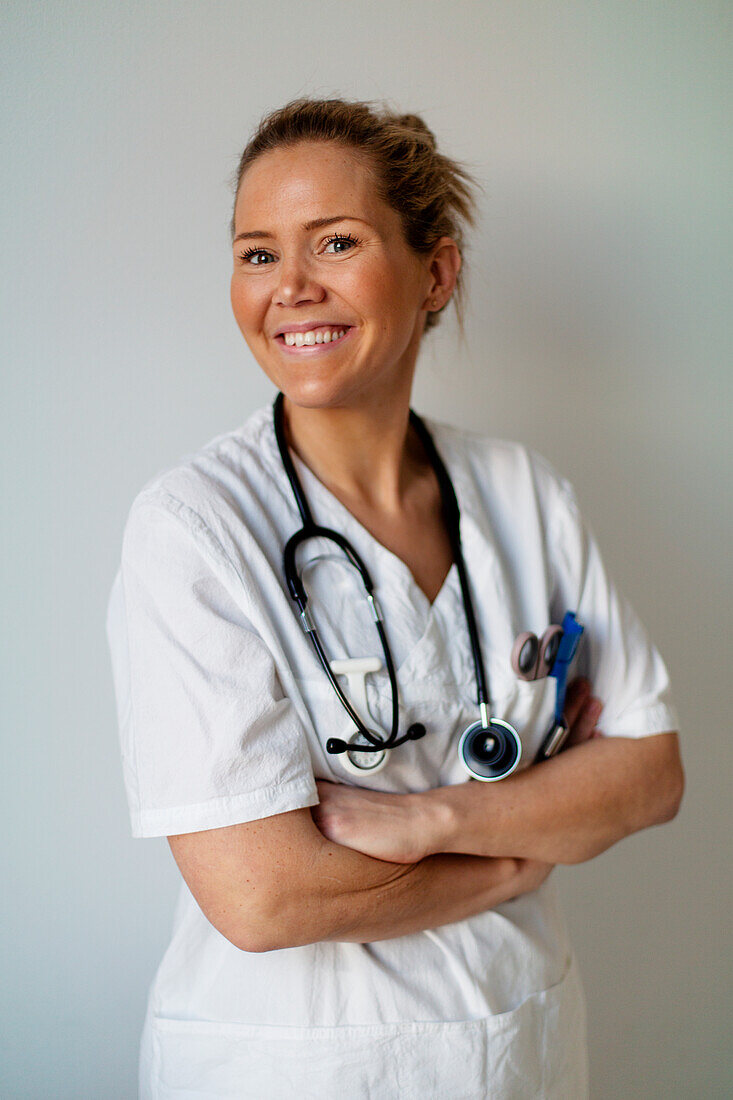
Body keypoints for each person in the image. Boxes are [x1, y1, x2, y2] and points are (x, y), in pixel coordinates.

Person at [106, 97, 684, 1099]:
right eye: (255, 253)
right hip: (293, 1065)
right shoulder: (194, 529)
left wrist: (428, 820)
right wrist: (513, 853)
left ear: (436, 272)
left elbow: (647, 775)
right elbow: (263, 896)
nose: (289, 287)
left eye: (335, 241)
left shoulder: (524, 493)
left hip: (519, 1047)